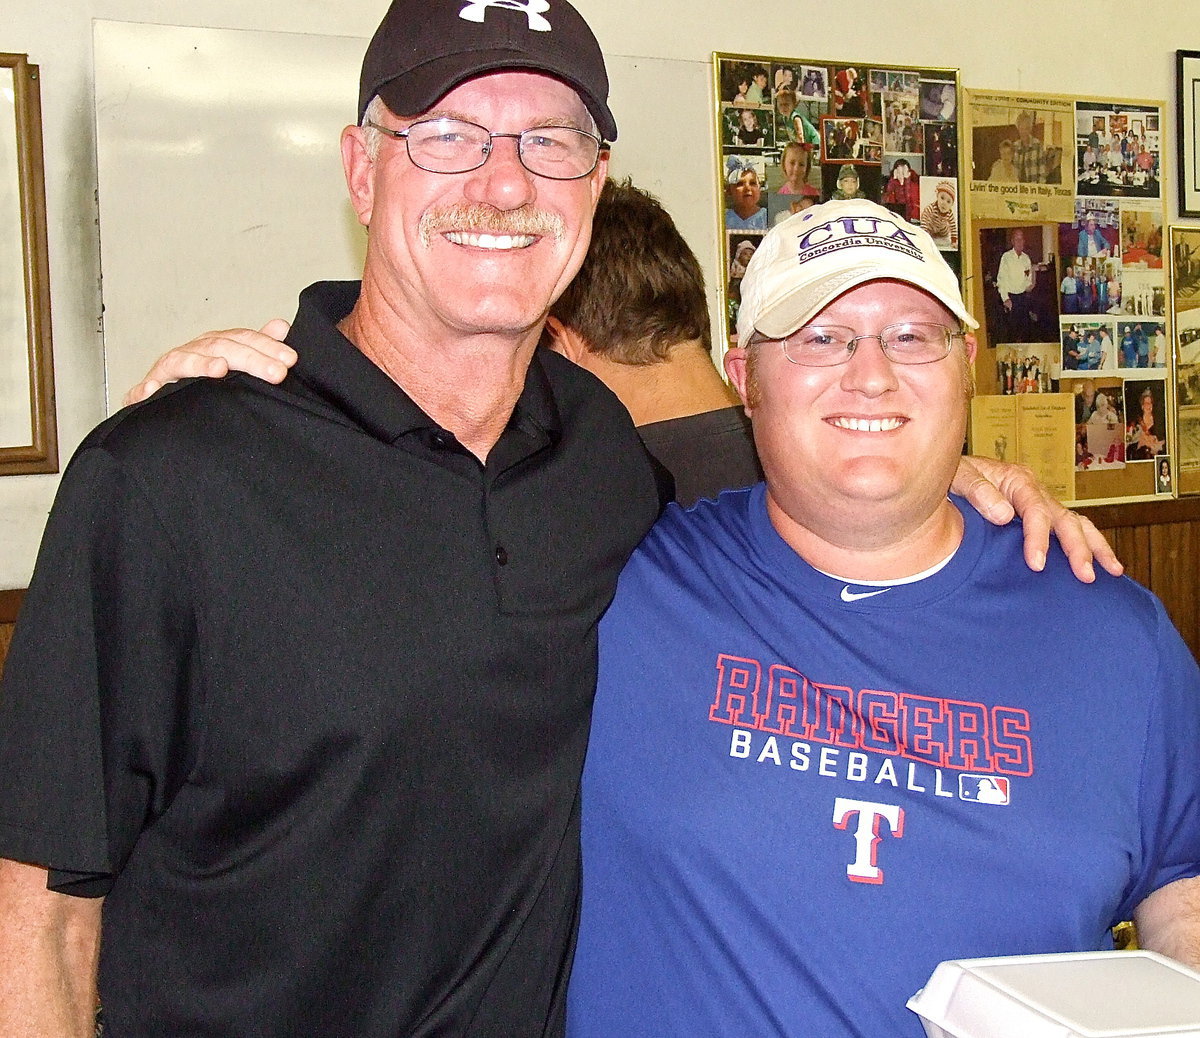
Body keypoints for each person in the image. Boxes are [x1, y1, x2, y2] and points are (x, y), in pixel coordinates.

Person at [0, 3, 672, 1036]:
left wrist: (974, 503)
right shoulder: (169, 477)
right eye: (446, 135)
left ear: (596, 180)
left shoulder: (604, 459)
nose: (504, 184)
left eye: (552, 141)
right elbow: (37, 917)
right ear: (362, 170)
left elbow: (808, 543)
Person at [566, 199, 1200, 1038]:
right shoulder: (621, 585)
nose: (871, 374)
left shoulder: (1114, 632)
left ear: (966, 365)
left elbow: (1183, 887)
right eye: (820, 338)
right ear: (743, 378)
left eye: (911, 335)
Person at [996, 227, 1036, 340]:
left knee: (1025, 333)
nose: (1019, 242)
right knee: (1012, 334)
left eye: (1021, 239)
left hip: (1023, 299)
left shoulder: (1026, 258)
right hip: (1010, 299)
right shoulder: (1006, 257)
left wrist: (1031, 285)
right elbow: (1001, 280)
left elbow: (1028, 280)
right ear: (1012, 241)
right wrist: (1005, 299)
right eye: (1017, 239)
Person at [726, 164, 768, 229]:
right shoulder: (724, 218)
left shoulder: (767, 217)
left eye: (752, 183)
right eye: (740, 184)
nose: (747, 188)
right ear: (729, 191)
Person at [920, 179, 958, 248]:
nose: (944, 203)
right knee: (928, 230)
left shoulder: (949, 213)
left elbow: (953, 227)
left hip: (942, 229)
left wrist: (954, 241)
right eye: (942, 198)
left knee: (946, 231)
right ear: (937, 196)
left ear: (952, 205)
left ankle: (943, 235)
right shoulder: (930, 208)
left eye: (948, 201)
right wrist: (924, 235)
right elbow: (924, 220)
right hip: (932, 227)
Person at [1013, 109, 1048, 183]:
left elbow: (1042, 173)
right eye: (1021, 129)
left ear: (1030, 129)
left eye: (1026, 128)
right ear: (1018, 129)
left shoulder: (1037, 144)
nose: (1023, 132)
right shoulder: (1015, 146)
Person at [881, 158, 920, 222]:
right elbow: (886, 202)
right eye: (898, 172)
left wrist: (906, 181)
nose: (901, 174)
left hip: (911, 219)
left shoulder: (914, 185)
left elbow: (909, 205)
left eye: (903, 172)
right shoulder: (892, 184)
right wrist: (893, 181)